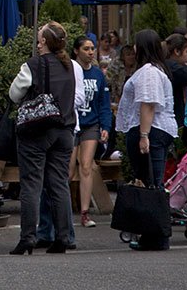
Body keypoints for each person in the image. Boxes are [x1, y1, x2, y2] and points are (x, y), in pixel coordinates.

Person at [8, 21, 78, 255]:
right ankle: (64, 237)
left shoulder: (33, 65)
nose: (37, 44)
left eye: (39, 40)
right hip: (65, 129)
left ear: (45, 42)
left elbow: (14, 93)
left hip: (37, 131)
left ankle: (28, 237)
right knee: (59, 184)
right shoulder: (71, 66)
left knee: (31, 184)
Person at [113, 29, 176, 250]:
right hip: (155, 130)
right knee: (150, 182)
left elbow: (148, 103)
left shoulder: (149, 72)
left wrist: (144, 135)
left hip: (152, 130)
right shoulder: (154, 69)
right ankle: (152, 234)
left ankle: (156, 236)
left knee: (152, 183)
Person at [73, 33, 112, 230]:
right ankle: (61, 210)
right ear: (76, 51)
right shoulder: (70, 71)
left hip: (91, 124)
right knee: (67, 169)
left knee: (87, 166)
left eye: (92, 49)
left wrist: (106, 126)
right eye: (86, 49)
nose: (90, 52)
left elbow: (104, 103)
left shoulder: (97, 74)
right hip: (72, 123)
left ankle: (85, 212)